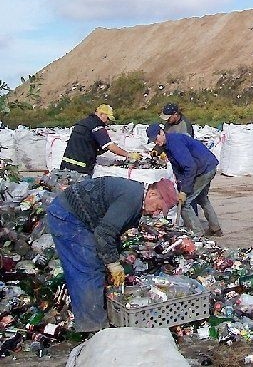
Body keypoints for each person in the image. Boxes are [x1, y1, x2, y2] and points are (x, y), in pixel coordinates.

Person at [45, 176, 178, 332]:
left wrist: (114, 256)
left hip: (84, 217)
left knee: (98, 262)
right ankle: (92, 327)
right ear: (152, 194)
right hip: (67, 216)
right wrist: (113, 263)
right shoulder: (131, 198)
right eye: (157, 208)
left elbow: (113, 231)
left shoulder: (137, 198)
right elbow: (104, 233)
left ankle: (97, 311)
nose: (156, 213)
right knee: (88, 268)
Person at [146, 123, 222, 236]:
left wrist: (184, 190)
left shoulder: (175, 145)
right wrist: (157, 149)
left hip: (203, 169)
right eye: (154, 141)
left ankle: (198, 234)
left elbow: (190, 167)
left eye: (156, 139)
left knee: (185, 203)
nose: (156, 143)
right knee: (202, 198)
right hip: (208, 164)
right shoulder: (168, 141)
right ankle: (215, 228)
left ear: (161, 132)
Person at [60, 104, 142, 175]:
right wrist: (129, 155)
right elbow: (110, 146)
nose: (108, 121)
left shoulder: (83, 123)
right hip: (81, 169)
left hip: (66, 164)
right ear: (102, 114)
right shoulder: (97, 126)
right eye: (108, 118)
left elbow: (85, 143)